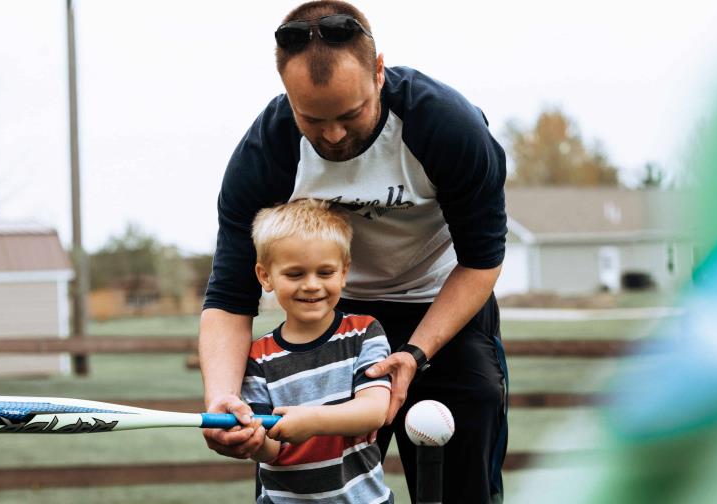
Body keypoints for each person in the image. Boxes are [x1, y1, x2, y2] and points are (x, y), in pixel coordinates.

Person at [199, 1, 509, 502]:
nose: (334, 135)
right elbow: (230, 296)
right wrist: (222, 399)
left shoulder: (446, 127)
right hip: (330, 313)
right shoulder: (266, 152)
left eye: (350, 113)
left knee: (465, 464)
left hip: (440, 304)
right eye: (312, 118)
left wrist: (414, 353)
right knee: (305, 482)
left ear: (379, 72)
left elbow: (481, 261)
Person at [240, 199, 393, 503]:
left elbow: (374, 411)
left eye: (325, 273)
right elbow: (269, 450)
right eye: (295, 274)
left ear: (344, 272)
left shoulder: (364, 332)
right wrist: (252, 439)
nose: (311, 285)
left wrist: (310, 422)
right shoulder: (258, 356)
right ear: (265, 276)